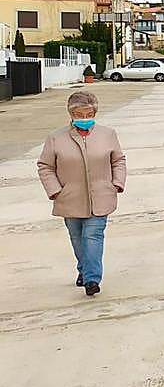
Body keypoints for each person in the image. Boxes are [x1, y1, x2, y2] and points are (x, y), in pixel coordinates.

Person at [36, 90, 126, 297]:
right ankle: (84, 269)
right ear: (71, 114)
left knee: (92, 236)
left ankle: (92, 279)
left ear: (95, 113)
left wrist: (116, 183)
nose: (84, 119)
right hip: (70, 198)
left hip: (101, 196)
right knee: (77, 238)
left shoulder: (107, 135)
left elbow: (118, 160)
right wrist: (55, 191)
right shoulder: (56, 138)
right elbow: (45, 166)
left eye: (88, 114)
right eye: (79, 115)